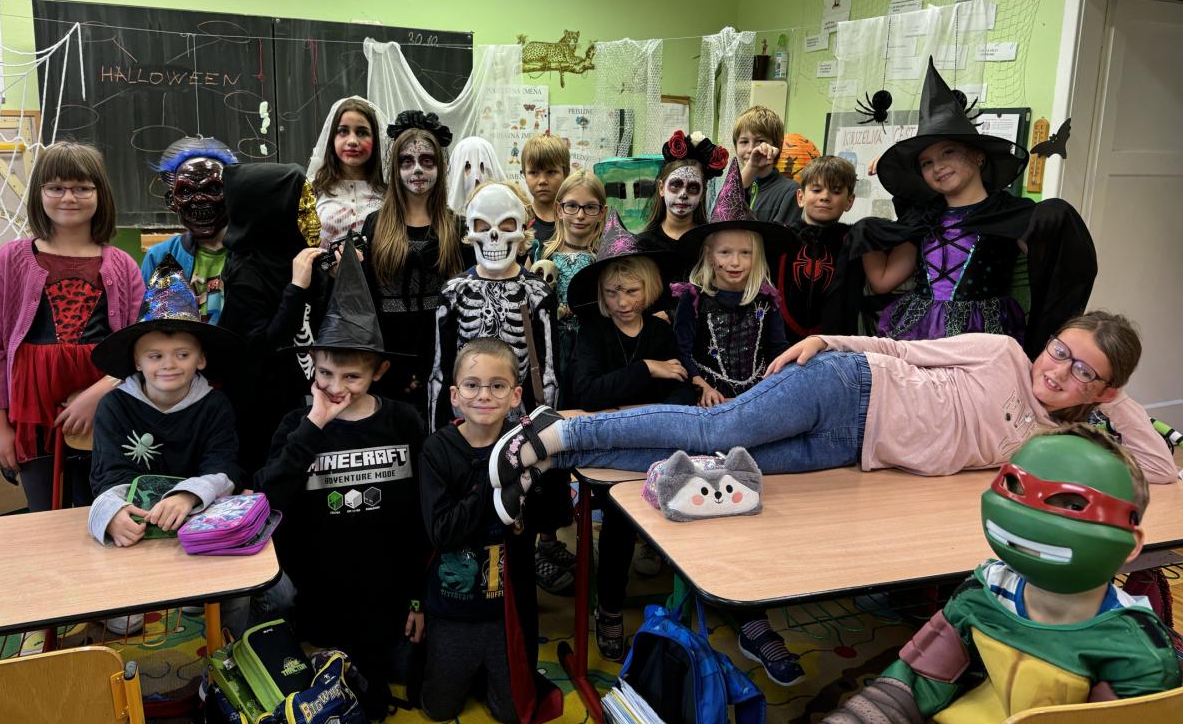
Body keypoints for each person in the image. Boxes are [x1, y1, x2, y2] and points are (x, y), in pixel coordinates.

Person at [773, 426, 1181, 724]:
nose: (1034, 515)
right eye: (1017, 488)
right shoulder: (983, 593)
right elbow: (913, 682)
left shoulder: (1135, 650)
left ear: (1132, 544)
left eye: (1072, 504)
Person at [487, 309, 1176, 505]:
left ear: (1104, 391)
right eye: (1060, 349)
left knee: (713, 463)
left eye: (1083, 371)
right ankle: (559, 433)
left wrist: (1121, 403)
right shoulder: (1002, 354)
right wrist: (825, 340)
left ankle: (557, 457)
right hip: (849, 385)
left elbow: (1160, 470)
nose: (1056, 369)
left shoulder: (1055, 444)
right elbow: (901, 348)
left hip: (854, 449)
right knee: (712, 425)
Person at [255, 239, 426, 721]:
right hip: (318, 590)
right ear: (313, 365)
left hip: (387, 592)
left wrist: (419, 597)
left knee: (405, 685)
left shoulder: (404, 421)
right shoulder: (298, 424)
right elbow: (266, 497)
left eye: (352, 377)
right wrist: (314, 426)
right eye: (326, 373)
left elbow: (423, 514)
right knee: (325, 691)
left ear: (379, 370)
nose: (336, 388)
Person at [846, 59, 1095, 357]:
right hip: (919, 331)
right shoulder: (924, 220)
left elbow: (1053, 269)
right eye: (926, 163)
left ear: (978, 156)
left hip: (983, 336)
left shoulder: (1011, 216)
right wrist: (865, 233)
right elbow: (882, 281)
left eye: (948, 152)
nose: (938, 166)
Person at [0, 141, 144, 512]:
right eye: (56, 187)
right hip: (32, 414)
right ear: (40, 194)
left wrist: (99, 392)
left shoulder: (123, 266)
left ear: (100, 193)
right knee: (46, 516)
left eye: (82, 187)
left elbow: (140, 347)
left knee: (108, 510)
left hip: (106, 409)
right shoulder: (11, 260)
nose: (69, 197)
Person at [565, 212, 692, 659]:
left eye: (632, 291)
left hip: (654, 445)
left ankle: (685, 601)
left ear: (650, 289)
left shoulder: (659, 331)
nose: (622, 302)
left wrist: (659, 395)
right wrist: (646, 370)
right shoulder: (593, 334)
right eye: (612, 292)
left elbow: (681, 387)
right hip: (610, 451)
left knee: (685, 504)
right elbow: (586, 392)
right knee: (618, 521)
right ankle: (611, 607)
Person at [419, 337, 562, 724]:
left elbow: (549, 519)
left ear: (515, 395)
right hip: (452, 605)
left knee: (511, 712)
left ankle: (488, 672)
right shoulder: (437, 450)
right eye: (472, 385)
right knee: (439, 708)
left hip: (507, 607)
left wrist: (546, 466)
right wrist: (496, 475)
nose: (484, 395)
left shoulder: (526, 447)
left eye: (497, 386)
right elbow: (442, 533)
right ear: (454, 395)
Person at [87, 257, 243, 549]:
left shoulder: (215, 405)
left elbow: (224, 465)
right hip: (136, 528)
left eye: (182, 355)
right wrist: (113, 513)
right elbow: (108, 473)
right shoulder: (114, 406)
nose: (169, 365)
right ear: (137, 361)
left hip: (198, 526)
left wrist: (188, 495)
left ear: (201, 359)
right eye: (155, 356)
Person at [217, 163, 329, 476]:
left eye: (312, 207)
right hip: (262, 419)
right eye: (302, 209)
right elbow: (262, 349)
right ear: (272, 214)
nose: (313, 219)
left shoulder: (297, 256)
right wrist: (296, 288)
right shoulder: (247, 274)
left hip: (305, 403)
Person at [359, 110, 468, 421]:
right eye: (407, 161)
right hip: (388, 360)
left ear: (440, 167)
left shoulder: (456, 227)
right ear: (395, 169)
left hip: (443, 356)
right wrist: (384, 366)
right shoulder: (375, 225)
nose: (417, 169)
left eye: (427, 161)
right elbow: (368, 301)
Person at [428, 181, 558, 431]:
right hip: (465, 423)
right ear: (470, 231)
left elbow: (548, 371)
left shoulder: (537, 292)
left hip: (520, 423)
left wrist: (544, 434)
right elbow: (439, 370)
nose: (494, 236)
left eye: (507, 227)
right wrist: (439, 437)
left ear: (522, 230)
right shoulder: (453, 292)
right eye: (483, 228)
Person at [674, 160, 793, 407]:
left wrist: (774, 385)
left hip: (759, 391)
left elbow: (777, 348)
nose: (735, 262)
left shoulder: (766, 299)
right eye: (725, 252)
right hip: (707, 394)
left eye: (745, 253)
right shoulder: (695, 298)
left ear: (756, 255)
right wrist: (702, 387)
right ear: (709, 255)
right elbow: (681, 351)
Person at [141, 135, 237, 323]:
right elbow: (148, 326)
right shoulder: (160, 256)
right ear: (171, 201)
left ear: (232, 193)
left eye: (212, 189)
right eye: (186, 191)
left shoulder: (252, 252)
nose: (199, 199)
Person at [772, 154, 857, 339]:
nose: (825, 197)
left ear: (849, 201)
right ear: (801, 197)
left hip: (834, 343)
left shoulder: (853, 240)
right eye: (816, 190)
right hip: (780, 340)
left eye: (836, 191)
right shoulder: (780, 237)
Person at [536, 169, 607, 381]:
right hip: (551, 348)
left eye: (590, 207)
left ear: (602, 212)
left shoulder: (605, 257)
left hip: (593, 347)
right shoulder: (541, 253)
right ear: (559, 209)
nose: (580, 215)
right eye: (572, 206)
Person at [308, 95, 385, 247]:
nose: (352, 141)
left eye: (362, 132)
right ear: (332, 138)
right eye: (343, 131)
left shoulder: (389, 191)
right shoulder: (313, 188)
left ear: (375, 140)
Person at [636, 131, 727, 254]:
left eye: (693, 187)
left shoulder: (711, 243)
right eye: (675, 185)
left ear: (702, 193)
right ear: (661, 188)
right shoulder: (643, 245)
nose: (683, 194)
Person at [734, 105, 799, 225]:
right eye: (744, 142)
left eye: (760, 141)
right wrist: (751, 167)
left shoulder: (790, 190)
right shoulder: (733, 187)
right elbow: (721, 215)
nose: (751, 149)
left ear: (778, 145)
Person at [521, 134, 568, 257]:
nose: (542, 181)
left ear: (566, 173)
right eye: (533, 173)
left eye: (550, 172)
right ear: (524, 175)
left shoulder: (578, 219)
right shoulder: (519, 220)